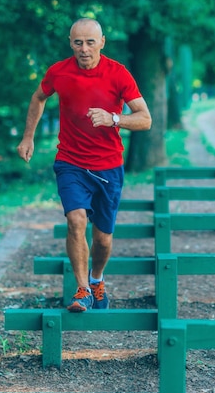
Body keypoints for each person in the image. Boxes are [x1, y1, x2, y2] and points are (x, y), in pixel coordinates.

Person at [17, 18, 152, 312]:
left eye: (90, 42)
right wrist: (28, 137)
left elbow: (145, 118)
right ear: (70, 43)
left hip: (108, 167)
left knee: (103, 239)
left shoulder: (118, 74)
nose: (84, 49)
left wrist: (114, 118)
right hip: (71, 162)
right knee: (76, 220)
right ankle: (81, 291)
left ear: (102, 42)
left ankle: (96, 279)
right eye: (78, 42)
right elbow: (39, 97)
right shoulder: (59, 72)